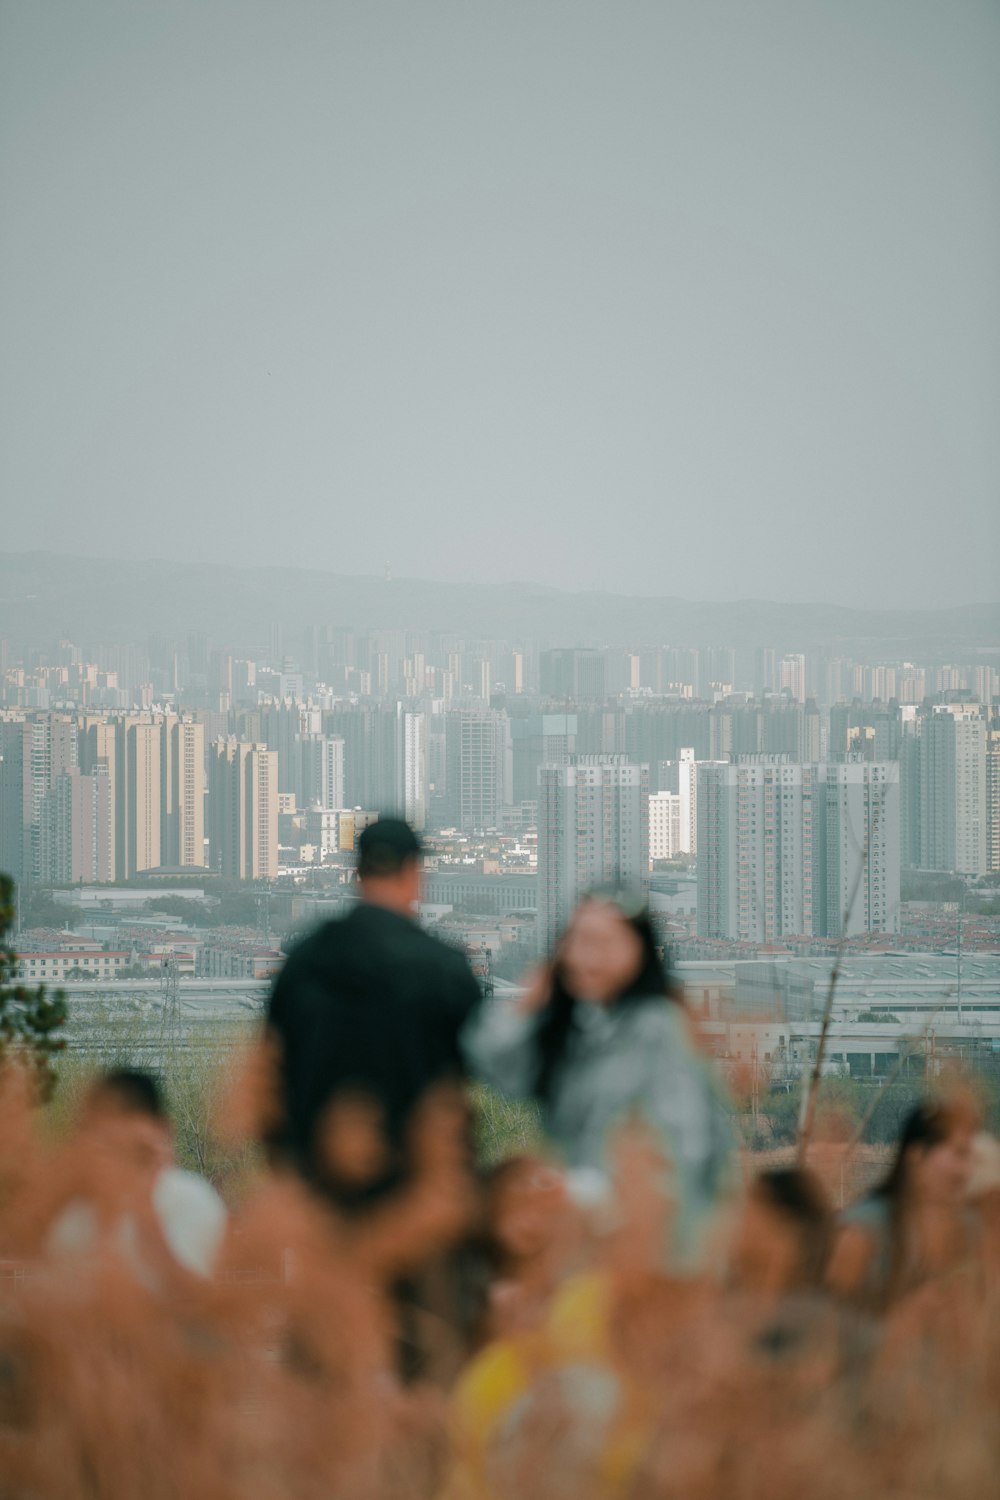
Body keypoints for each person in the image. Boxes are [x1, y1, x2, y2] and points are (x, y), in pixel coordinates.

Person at [462, 890, 736, 1269]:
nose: (586, 956)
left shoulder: (657, 1030)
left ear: (638, 950)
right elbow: (489, 1059)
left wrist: (580, 1192)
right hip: (582, 1241)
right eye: (576, 940)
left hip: (645, 1247)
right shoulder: (579, 1028)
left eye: (603, 943)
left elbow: (684, 1152)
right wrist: (532, 995)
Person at [265, 817, 483, 1212]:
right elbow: (469, 1079)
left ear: (358, 873)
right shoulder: (444, 967)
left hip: (320, 1190)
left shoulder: (305, 961)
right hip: (418, 1195)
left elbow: (271, 1075)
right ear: (415, 873)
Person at [46, 1067, 228, 1285]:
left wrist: (144, 1207)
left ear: (159, 1129)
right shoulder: (73, 1212)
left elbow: (196, 1301)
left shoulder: (190, 1198)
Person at [828, 1097, 978, 1313]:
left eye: (971, 1157)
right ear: (916, 1155)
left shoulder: (969, 1229)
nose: (967, 1170)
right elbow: (827, 1325)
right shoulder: (865, 1230)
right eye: (959, 1154)